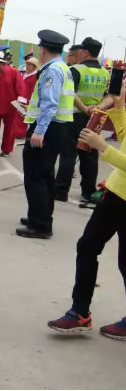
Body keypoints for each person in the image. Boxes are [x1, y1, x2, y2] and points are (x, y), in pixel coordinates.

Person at [47, 80, 126, 341]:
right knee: (87, 246)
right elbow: (124, 136)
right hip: (115, 194)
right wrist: (117, 107)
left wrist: (102, 146)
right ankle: (80, 312)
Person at [17, 30, 74, 239]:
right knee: (46, 175)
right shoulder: (63, 68)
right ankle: (41, 216)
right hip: (57, 128)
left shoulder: (52, 71)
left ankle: (40, 225)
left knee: (36, 176)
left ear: (43, 49)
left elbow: (50, 104)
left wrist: (39, 131)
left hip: (48, 128)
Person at [55, 37, 109, 207]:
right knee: (90, 155)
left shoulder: (75, 70)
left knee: (69, 154)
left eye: (79, 51)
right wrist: (96, 108)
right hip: (95, 117)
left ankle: (61, 191)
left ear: (85, 52)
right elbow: (109, 95)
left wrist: (84, 108)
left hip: (76, 115)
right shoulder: (105, 73)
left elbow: (70, 92)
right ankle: (88, 192)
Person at [0, 50, 26, 157]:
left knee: (10, 128)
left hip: (10, 105)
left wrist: (20, 103)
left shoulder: (13, 71)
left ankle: (7, 149)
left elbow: (21, 87)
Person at [15, 57, 40, 139]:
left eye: (29, 65)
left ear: (34, 67)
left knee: (24, 116)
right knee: (19, 116)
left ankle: (21, 133)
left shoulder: (35, 76)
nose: (27, 66)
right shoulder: (24, 74)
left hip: (29, 99)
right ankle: (17, 133)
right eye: (27, 64)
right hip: (21, 98)